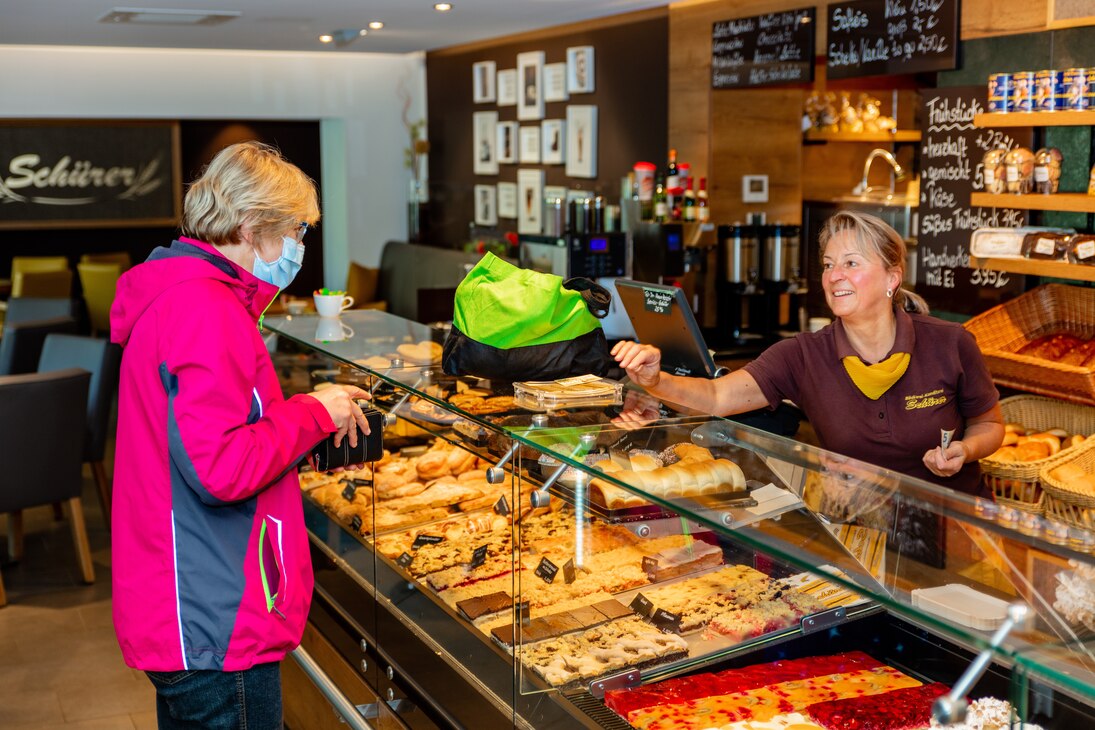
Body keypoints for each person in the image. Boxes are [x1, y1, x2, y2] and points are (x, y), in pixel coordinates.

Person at [110, 141, 372, 729]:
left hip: (187, 597)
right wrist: (313, 414)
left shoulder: (179, 292)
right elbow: (220, 469)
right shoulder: (205, 308)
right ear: (253, 227)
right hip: (214, 611)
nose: (300, 248)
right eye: (296, 231)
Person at [613, 210, 1003, 497]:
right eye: (829, 265)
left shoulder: (950, 343)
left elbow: (990, 425)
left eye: (851, 263)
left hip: (958, 530)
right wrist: (656, 380)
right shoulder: (802, 355)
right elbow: (718, 396)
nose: (835, 276)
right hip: (864, 526)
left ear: (892, 278)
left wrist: (965, 451)